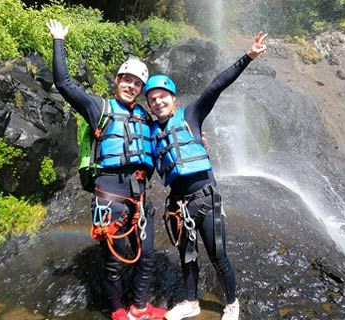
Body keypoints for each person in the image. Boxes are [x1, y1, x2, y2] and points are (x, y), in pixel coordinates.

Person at [46, 19, 166, 320]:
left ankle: (139, 307)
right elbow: (64, 84)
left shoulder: (145, 116)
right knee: (114, 260)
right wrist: (59, 40)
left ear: (141, 89)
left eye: (137, 83)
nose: (131, 86)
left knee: (147, 254)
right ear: (117, 80)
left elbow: (168, 137)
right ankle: (117, 311)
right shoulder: (98, 108)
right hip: (109, 194)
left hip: (139, 195)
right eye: (126, 79)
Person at [145, 32, 267, 320]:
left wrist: (248, 56)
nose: (158, 102)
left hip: (205, 197)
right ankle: (191, 302)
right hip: (178, 203)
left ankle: (232, 303)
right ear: (149, 105)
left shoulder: (190, 116)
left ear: (172, 99)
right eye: (152, 99)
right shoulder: (150, 133)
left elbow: (216, 86)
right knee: (187, 257)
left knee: (218, 256)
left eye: (162, 96)